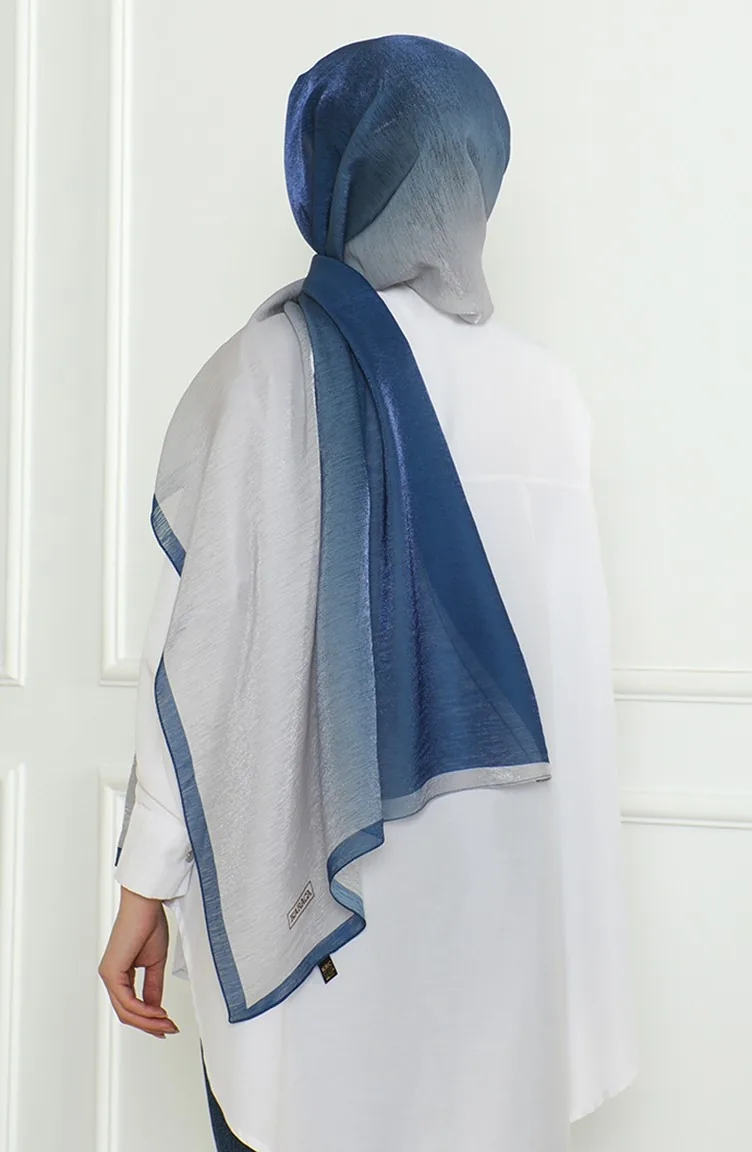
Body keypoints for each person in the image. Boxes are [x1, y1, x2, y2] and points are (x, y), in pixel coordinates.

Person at [99, 35, 636, 1152]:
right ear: (473, 179)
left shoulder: (267, 370)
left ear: (326, 174)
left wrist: (146, 880)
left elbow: (200, 658)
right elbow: (572, 695)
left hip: (323, 942)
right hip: (500, 936)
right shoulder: (548, 397)